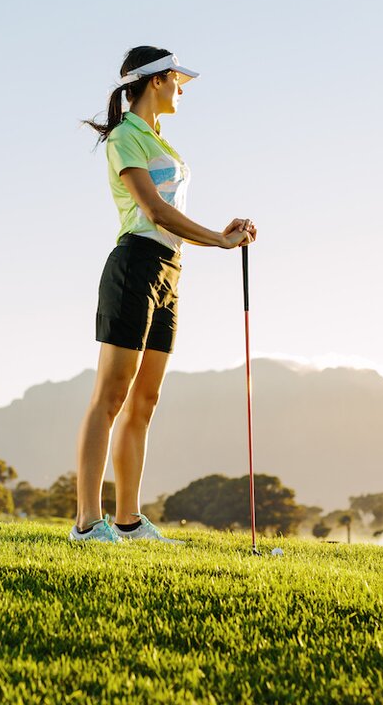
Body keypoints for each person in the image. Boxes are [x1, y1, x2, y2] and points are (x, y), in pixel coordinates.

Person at [71, 46, 256, 544]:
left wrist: (219, 234)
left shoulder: (158, 140)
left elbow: (171, 216)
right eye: (178, 81)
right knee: (111, 395)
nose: (181, 91)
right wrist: (218, 238)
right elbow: (153, 211)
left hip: (168, 271)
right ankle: (89, 523)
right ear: (157, 81)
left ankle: (129, 521)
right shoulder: (126, 138)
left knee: (146, 399)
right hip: (134, 264)